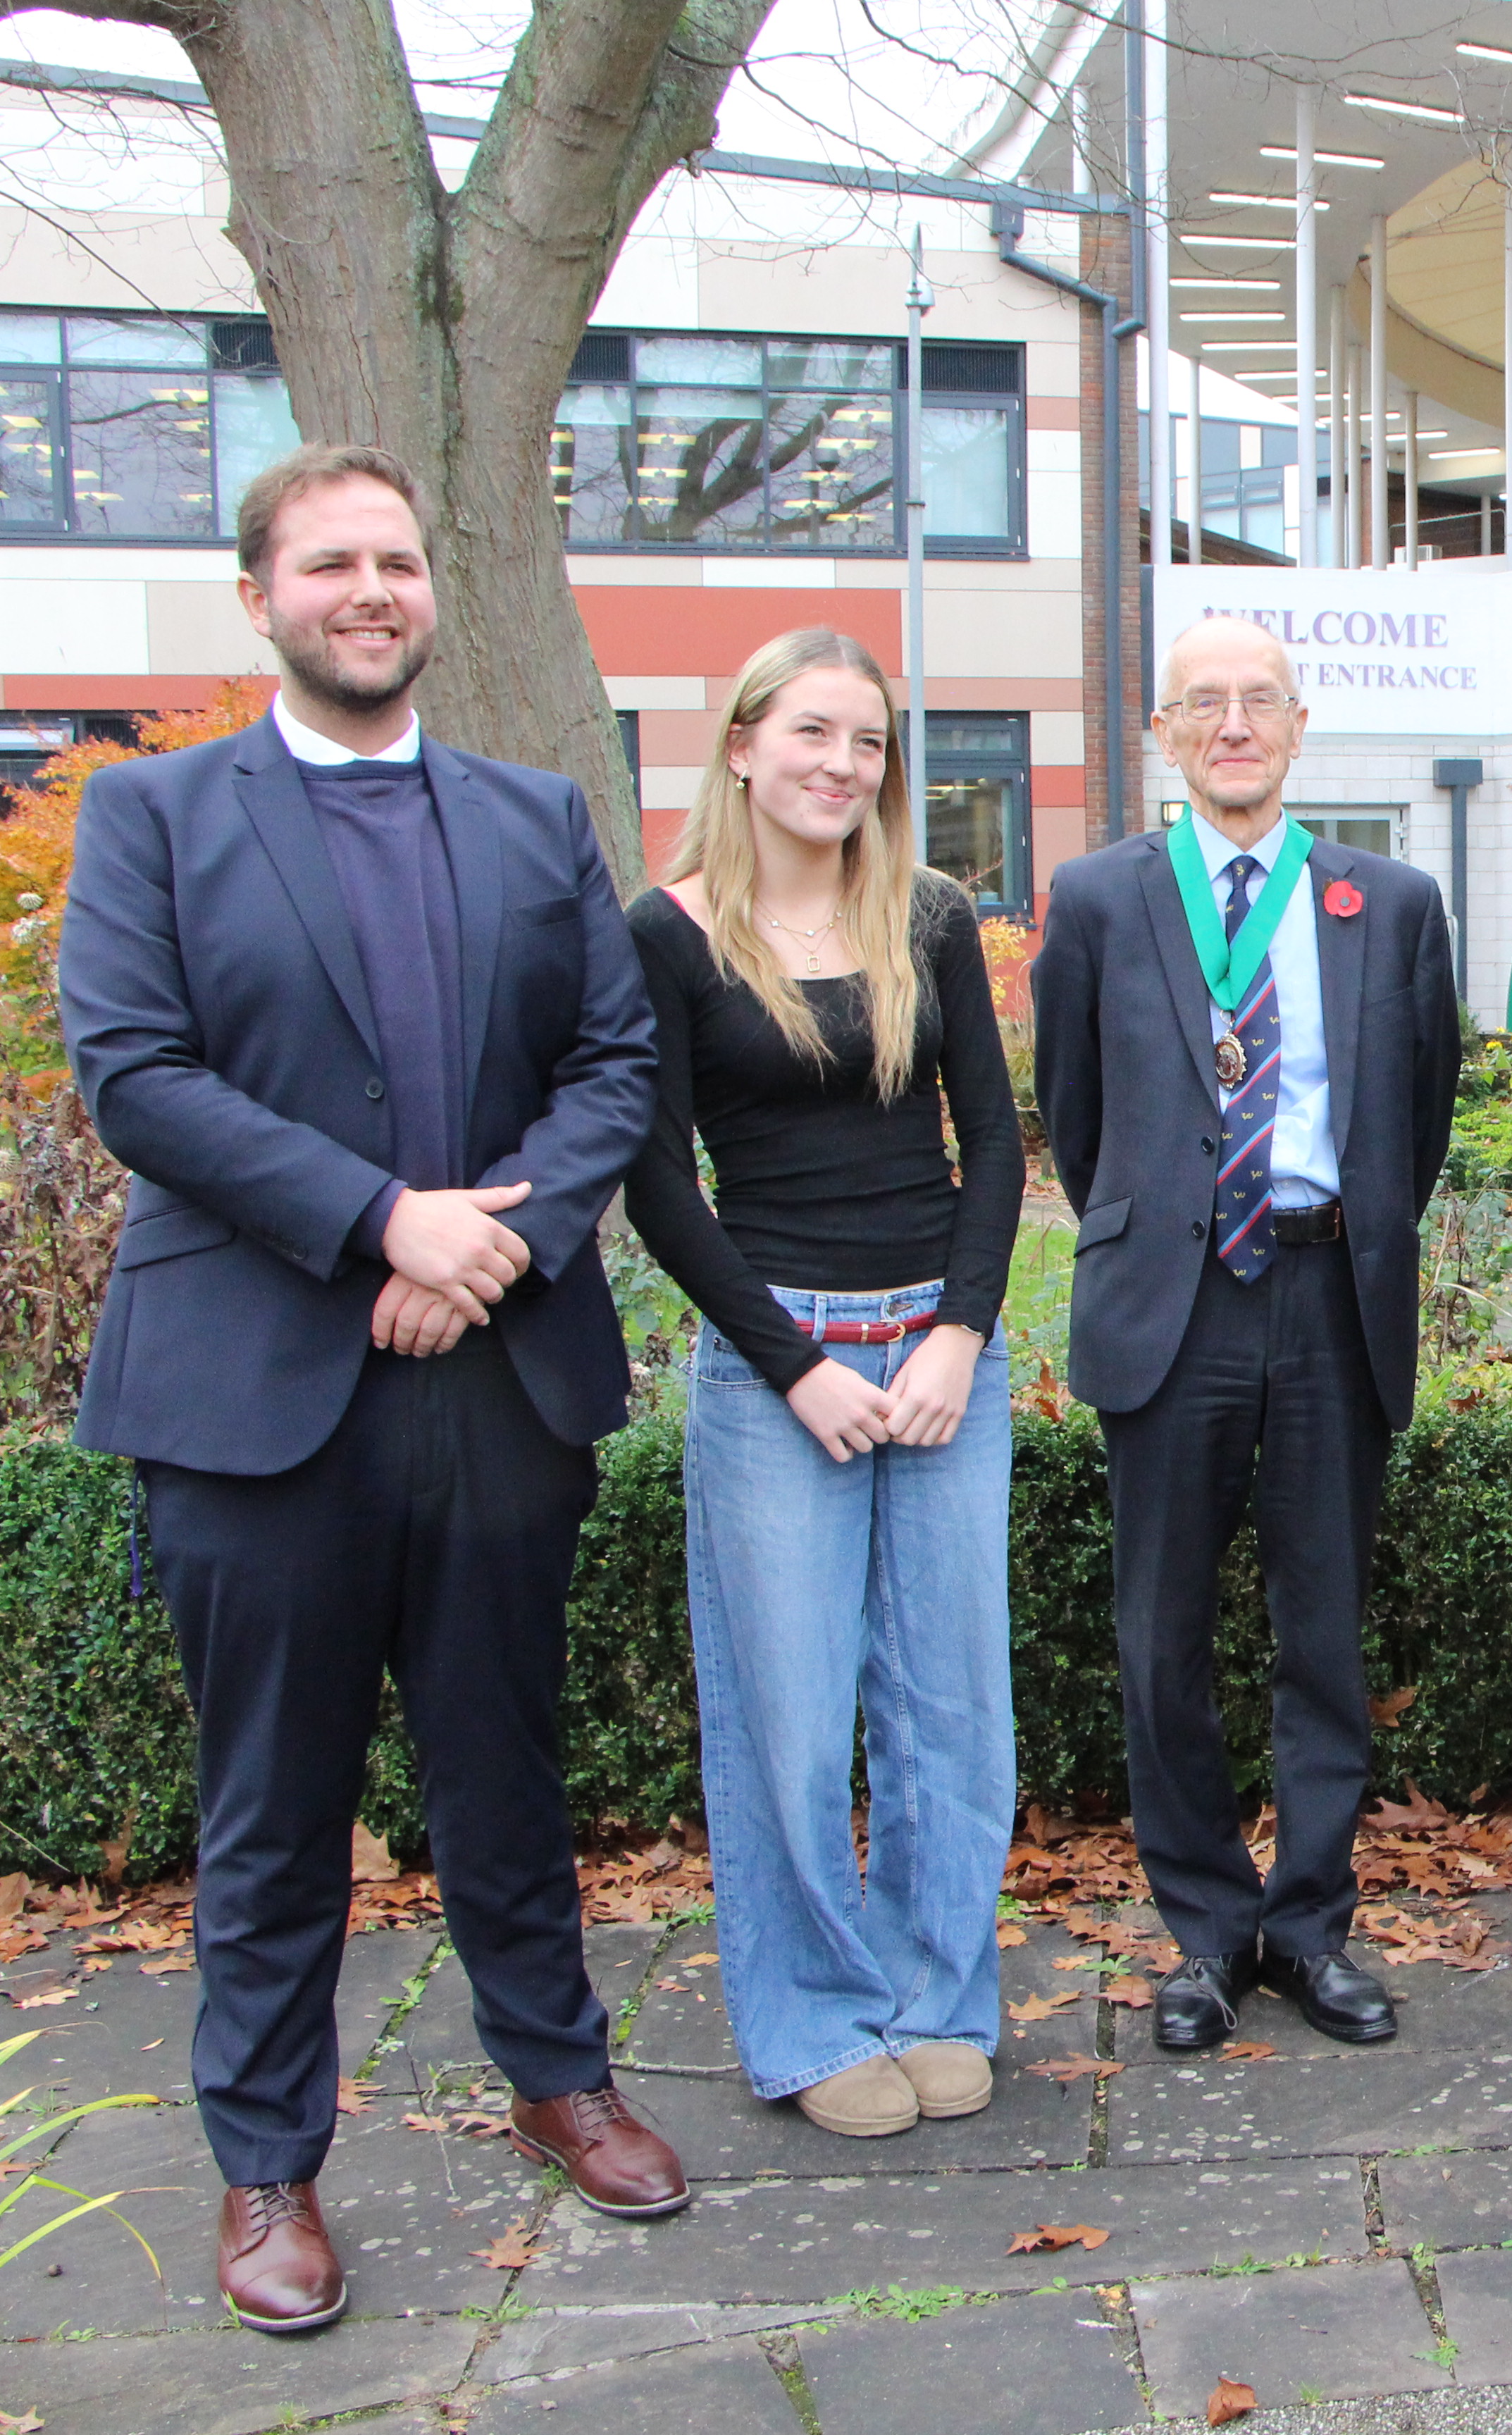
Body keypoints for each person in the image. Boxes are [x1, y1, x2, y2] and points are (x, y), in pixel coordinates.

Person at [58, 443, 686, 2335]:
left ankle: (555, 2076)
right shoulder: (155, 817)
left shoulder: (528, 813)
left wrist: (487, 1244)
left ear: (433, 593)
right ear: (261, 595)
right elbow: (137, 1077)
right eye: (329, 561)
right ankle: (266, 2167)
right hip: (256, 1398)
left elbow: (613, 1060)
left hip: (498, 1381)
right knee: (272, 1805)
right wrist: (378, 1227)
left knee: (507, 1767)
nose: (370, 589)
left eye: (398, 560)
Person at [1030, 617, 1461, 2053]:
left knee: (1321, 1631)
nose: (1232, 725)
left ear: (1297, 722)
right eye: (1201, 704)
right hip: (1175, 1301)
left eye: (1257, 701)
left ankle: (1311, 1927)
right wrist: (1170, 1230)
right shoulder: (1096, 898)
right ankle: (1207, 1937)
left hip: (1329, 1292)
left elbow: (1419, 1112)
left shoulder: (1386, 902)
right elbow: (1080, 1123)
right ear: (1161, 733)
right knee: (1162, 1641)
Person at [621, 628, 1020, 2139]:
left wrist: (960, 1337)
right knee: (787, 1721)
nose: (842, 764)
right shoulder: (667, 936)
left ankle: (934, 1999)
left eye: (867, 742)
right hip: (777, 1366)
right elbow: (658, 1185)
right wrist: (794, 1370)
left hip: (937, 1360)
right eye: (812, 733)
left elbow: (993, 1139)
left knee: (951, 1714)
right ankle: (810, 2019)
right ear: (741, 746)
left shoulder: (926, 914)